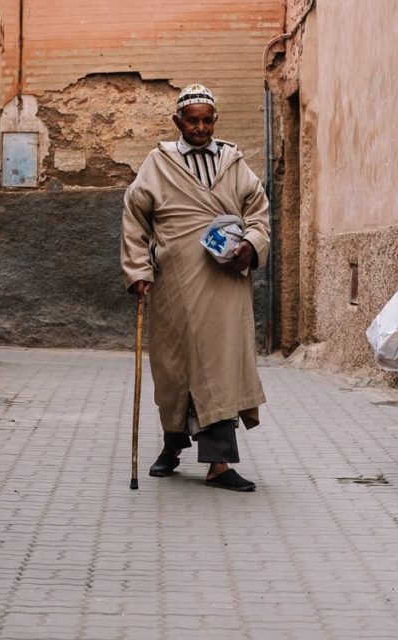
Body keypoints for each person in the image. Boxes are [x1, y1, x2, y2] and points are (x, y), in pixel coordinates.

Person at [120, 84, 270, 492]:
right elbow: (135, 217)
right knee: (175, 370)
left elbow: (259, 214)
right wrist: (137, 271)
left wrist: (252, 247)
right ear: (178, 123)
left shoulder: (234, 163)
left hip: (225, 286)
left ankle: (219, 463)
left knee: (219, 368)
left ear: (215, 121)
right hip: (176, 288)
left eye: (207, 120)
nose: (200, 127)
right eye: (192, 120)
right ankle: (172, 447)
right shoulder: (158, 163)